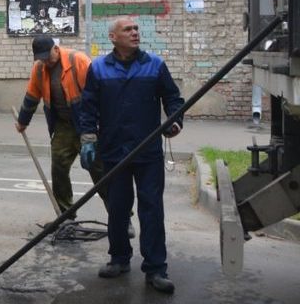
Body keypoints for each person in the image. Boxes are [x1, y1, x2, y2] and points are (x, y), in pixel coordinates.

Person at [77, 16, 184, 294]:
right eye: (128, 29)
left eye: (136, 29)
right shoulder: (98, 68)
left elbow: (173, 99)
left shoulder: (154, 65)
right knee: (118, 209)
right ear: (113, 37)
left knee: (151, 210)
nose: (135, 33)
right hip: (114, 152)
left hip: (147, 151)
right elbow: (87, 108)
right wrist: (88, 140)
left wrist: (175, 121)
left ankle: (156, 268)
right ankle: (119, 259)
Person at [15, 35, 108, 219]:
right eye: (40, 58)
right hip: (63, 126)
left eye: (47, 56)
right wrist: (22, 122)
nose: (45, 61)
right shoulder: (39, 69)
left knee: (100, 170)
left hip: (87, 125)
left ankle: (121, 217)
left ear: (56, 49)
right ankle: (66, 215)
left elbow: (99, 94)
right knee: (58, 169)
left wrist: (101, 127)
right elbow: (32, 97)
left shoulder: (78, 60)